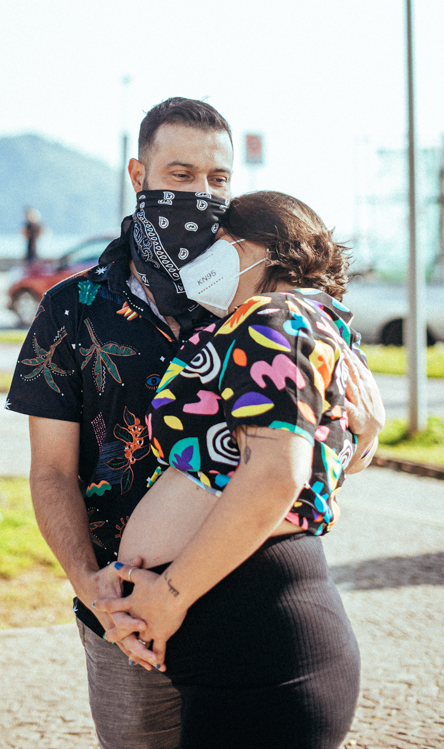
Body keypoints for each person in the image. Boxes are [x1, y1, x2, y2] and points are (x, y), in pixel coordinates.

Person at [5, 97, 385, 749]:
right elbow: (49, 471)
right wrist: (89, 587)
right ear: (138, 175)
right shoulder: (71, 309)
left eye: (217, 180)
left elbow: (321, 458)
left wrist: (367, 436)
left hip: (248, 600)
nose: (201, 195)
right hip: (123, 613)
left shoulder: (264, 302)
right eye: (180, 175)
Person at [95, 190, 366, 748]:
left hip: (259, 643)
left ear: (261, 248)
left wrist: (168, 595)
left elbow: (276, 475)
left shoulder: (272, 316)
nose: (201, 261)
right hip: (243, 642)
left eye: (216, 244)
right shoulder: (297, 323)